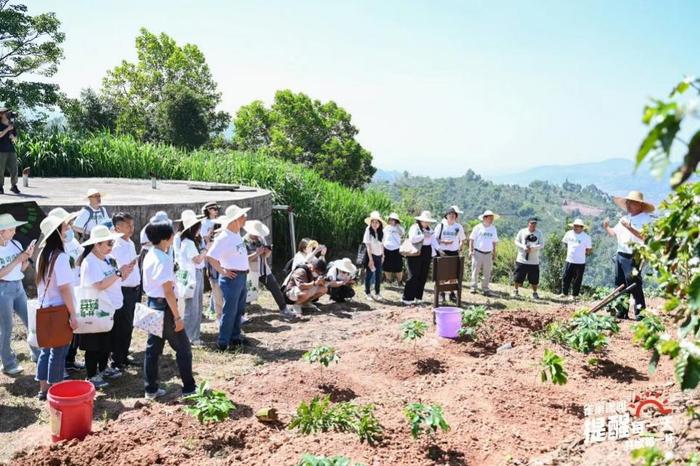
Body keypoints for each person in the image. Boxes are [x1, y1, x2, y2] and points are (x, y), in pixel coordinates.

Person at [142, 221, 196, 399]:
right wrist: (178, 317)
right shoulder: (164, 259)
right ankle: (189, 387)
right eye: (172, 234)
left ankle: (150, 389)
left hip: (152, 304)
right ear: (166, 238)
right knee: (183, 348)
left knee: (153, 349)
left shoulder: (150, 254)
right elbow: (168, 292)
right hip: (164, 307)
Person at [79, 225, 133, 389]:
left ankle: (103, 369)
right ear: (97, 244)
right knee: (94, 343)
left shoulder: (107, 259)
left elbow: (112, 280)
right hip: (97, 308)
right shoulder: (90, 261)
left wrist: (124, 272)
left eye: (112, 243)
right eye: (109, 243)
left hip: (111, 306)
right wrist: (118, 273)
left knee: (107, 341)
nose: (111, 246)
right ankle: (92, 375)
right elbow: (99, 285)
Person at [34, 215, 79, 400]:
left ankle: (43, 389)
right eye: (64, 227)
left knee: (46, 350)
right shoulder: (59, 257)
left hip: (45, 308)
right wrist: (73, 314)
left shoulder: (42, 256)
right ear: (57, 232)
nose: (68, 230)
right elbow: (65, 289)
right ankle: (55, 390)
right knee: (59, 352)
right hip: (59, 310)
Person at [604, 191, 655, 320]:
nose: (628, 205)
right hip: (620, 254)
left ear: (639, 205)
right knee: (620, 284)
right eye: (627, 202)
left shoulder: (645, 219)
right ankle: (622, 311)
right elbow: (613, 233)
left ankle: (640, 313)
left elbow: (645, 237)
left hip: (633, 255)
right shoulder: (625, 218)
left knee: (634, 284)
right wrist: (606, 227)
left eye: (631, 202)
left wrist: (630, 227)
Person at [206, 204, 251, 351]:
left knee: (238, 309)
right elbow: (211, 257)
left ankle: (235, 338)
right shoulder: (224, 237)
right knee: (230, 310)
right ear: (235, 220)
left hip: (240, 276)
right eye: (242, 217)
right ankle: (223, 341)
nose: (245, 219)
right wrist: (223, 271)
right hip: (232, 277)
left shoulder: (235, 234)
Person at [0, 214, 39, 375]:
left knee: (30, 321)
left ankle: (37, 353)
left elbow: (20, 270)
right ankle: (8, 363)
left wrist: (26, 258)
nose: (14, 232)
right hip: (3, 289)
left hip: (18, 286)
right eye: (11, 229)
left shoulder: (15, 244)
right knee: (6, 327)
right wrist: (17, 260)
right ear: (1, 232)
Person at [47, 208, 84, 373]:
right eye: (66, 225)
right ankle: (60, 369)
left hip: (76, 287)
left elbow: (80, 258)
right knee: (62, 336)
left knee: (73, 332)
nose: (69, 228)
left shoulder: (72, 242)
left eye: (69, 224)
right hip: (65, 295)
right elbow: (62, 284)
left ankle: (70, 359)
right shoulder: (57, 252)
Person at [243, 220, 296, 319]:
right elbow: (243, 259)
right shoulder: (243, 241)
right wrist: (256, 253)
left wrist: (267, 251)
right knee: (247, 293)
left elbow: (266, 256)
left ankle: (284, 309)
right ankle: (243, 315)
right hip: (250, 271)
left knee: (275, 288)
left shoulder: (261, 239)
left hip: (264, 268)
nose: (257, 235)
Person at [110, 212, 141, 369]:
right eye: (128, 225)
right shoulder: (115, 245)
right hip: (123, 289)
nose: (131, 228)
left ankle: (123, 354)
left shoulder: (129, 242)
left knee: (129, 324)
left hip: (134, 288)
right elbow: (120, 269)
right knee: (121, 324)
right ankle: (117, 358)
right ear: (118, 227)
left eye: (132, 225)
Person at [176, 210, 206, 345]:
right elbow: (197, 260)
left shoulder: (188, 241)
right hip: (193, 275)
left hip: (194, 274)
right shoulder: (188, 243)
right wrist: (206, 250)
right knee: (192, 307)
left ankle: (193, 336)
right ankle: (190, 337)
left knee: (196, 306)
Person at [402, 211, 439, 305]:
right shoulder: (414, 227)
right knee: (413, 275)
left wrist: (440, 250)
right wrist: (423, 236)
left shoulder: (430, 229)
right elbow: (412, 238)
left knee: (423, 275)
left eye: (428, 221)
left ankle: (418, 297)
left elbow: (433, 241)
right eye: (424, 221)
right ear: (420, 220)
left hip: (427, 251)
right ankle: (407, 298)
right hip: (415, 252)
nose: (426, 223)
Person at [435, 206, 467, 302]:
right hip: (443, 252)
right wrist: (443, 241)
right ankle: (441, 293)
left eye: (454, 215)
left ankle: (452, 293)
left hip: (454, 252)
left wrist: (460, 246)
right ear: (446, 216)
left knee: (453, 274)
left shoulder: (458, 227)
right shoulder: (440, 226)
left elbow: (462, 239)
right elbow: (435, 239)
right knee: (442, 274)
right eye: (450, 215)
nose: (452, 216)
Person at [201, 201, 223, 321]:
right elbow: (206, 240)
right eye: (214, 209)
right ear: (209, 210)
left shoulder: (219, 221)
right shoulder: (205, 223)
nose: (216, 211)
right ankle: (214, 310)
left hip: (220, 254)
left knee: (218, 283)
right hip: (210, 254)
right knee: (214, 282)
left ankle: (213, 308)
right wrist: (210, 233)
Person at [560, 218, 593, 300]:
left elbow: (589, 250)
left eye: (578, 226)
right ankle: (564, 293)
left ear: (582, 227)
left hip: (580, 262)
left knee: (577, 279)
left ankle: (574, 295)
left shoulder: (586, 237)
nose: (575, 227)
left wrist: (581, 254)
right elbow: (565, 243)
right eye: (575, 226)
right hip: (569, 260)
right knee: (566, 277)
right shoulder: (568, 233)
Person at [469, 210, 500, 296]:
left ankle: (485, 288)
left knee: (487, 272)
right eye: (490, 218)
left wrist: (494, 253)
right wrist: (470, 250)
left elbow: (494, 241)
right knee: (475, 270)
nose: (491, 220)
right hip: (477, 252)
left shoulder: (493, 229)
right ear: (484, 218)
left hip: (488, 253)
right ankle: (473, 287)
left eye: (492, 218)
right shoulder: (478, 227)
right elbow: (471, 239)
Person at [513, 217, 544, 299]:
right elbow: (516, 241)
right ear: (528, 223)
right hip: (521, 259)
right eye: (532, 223)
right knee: (518, 277)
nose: (533, 225)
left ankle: (534, 292)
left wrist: (533, 248)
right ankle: (515, 290)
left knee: (534, 279)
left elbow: (542, 244)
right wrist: (523, 247)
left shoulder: (539, 233)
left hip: (534, 261)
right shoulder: (522, 231)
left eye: (535, 224)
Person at [362, 211, 386, 301]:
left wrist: (383, 255)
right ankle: (367, 292)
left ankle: (377, 292)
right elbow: (368, 246)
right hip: (370, 256)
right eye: (373, 222)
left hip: (379, 255)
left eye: (377, 222)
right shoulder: (368, 230)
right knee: (369, 275)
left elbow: (382, 244)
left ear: (379, 223)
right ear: (371, 222)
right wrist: (370, 259)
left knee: (378, 275)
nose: (375, 224)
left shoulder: (381, 232)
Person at [0, 107, 20, 195]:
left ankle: (14, 186)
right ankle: (0, 186)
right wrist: (7, 129)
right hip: (1, 150)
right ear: (1, 114)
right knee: (1, 169)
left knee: (14, 168)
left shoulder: (11, 124)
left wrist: (13, 137)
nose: (8, 113)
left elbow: (15, 138)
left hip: (11, 149)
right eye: (6, 112)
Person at [383, 213, 405, 285]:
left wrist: (397, 226)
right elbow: (383, 237)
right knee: (386, 266)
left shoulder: (400, 228)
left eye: (394, 220)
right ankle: (388, 281)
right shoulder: (386, 228)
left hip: (396, 249)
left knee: (398, 267)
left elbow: (402, 234)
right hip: (386, 248)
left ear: (396, 221)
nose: (391, 221)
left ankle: (400, 281)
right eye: (390, 219)